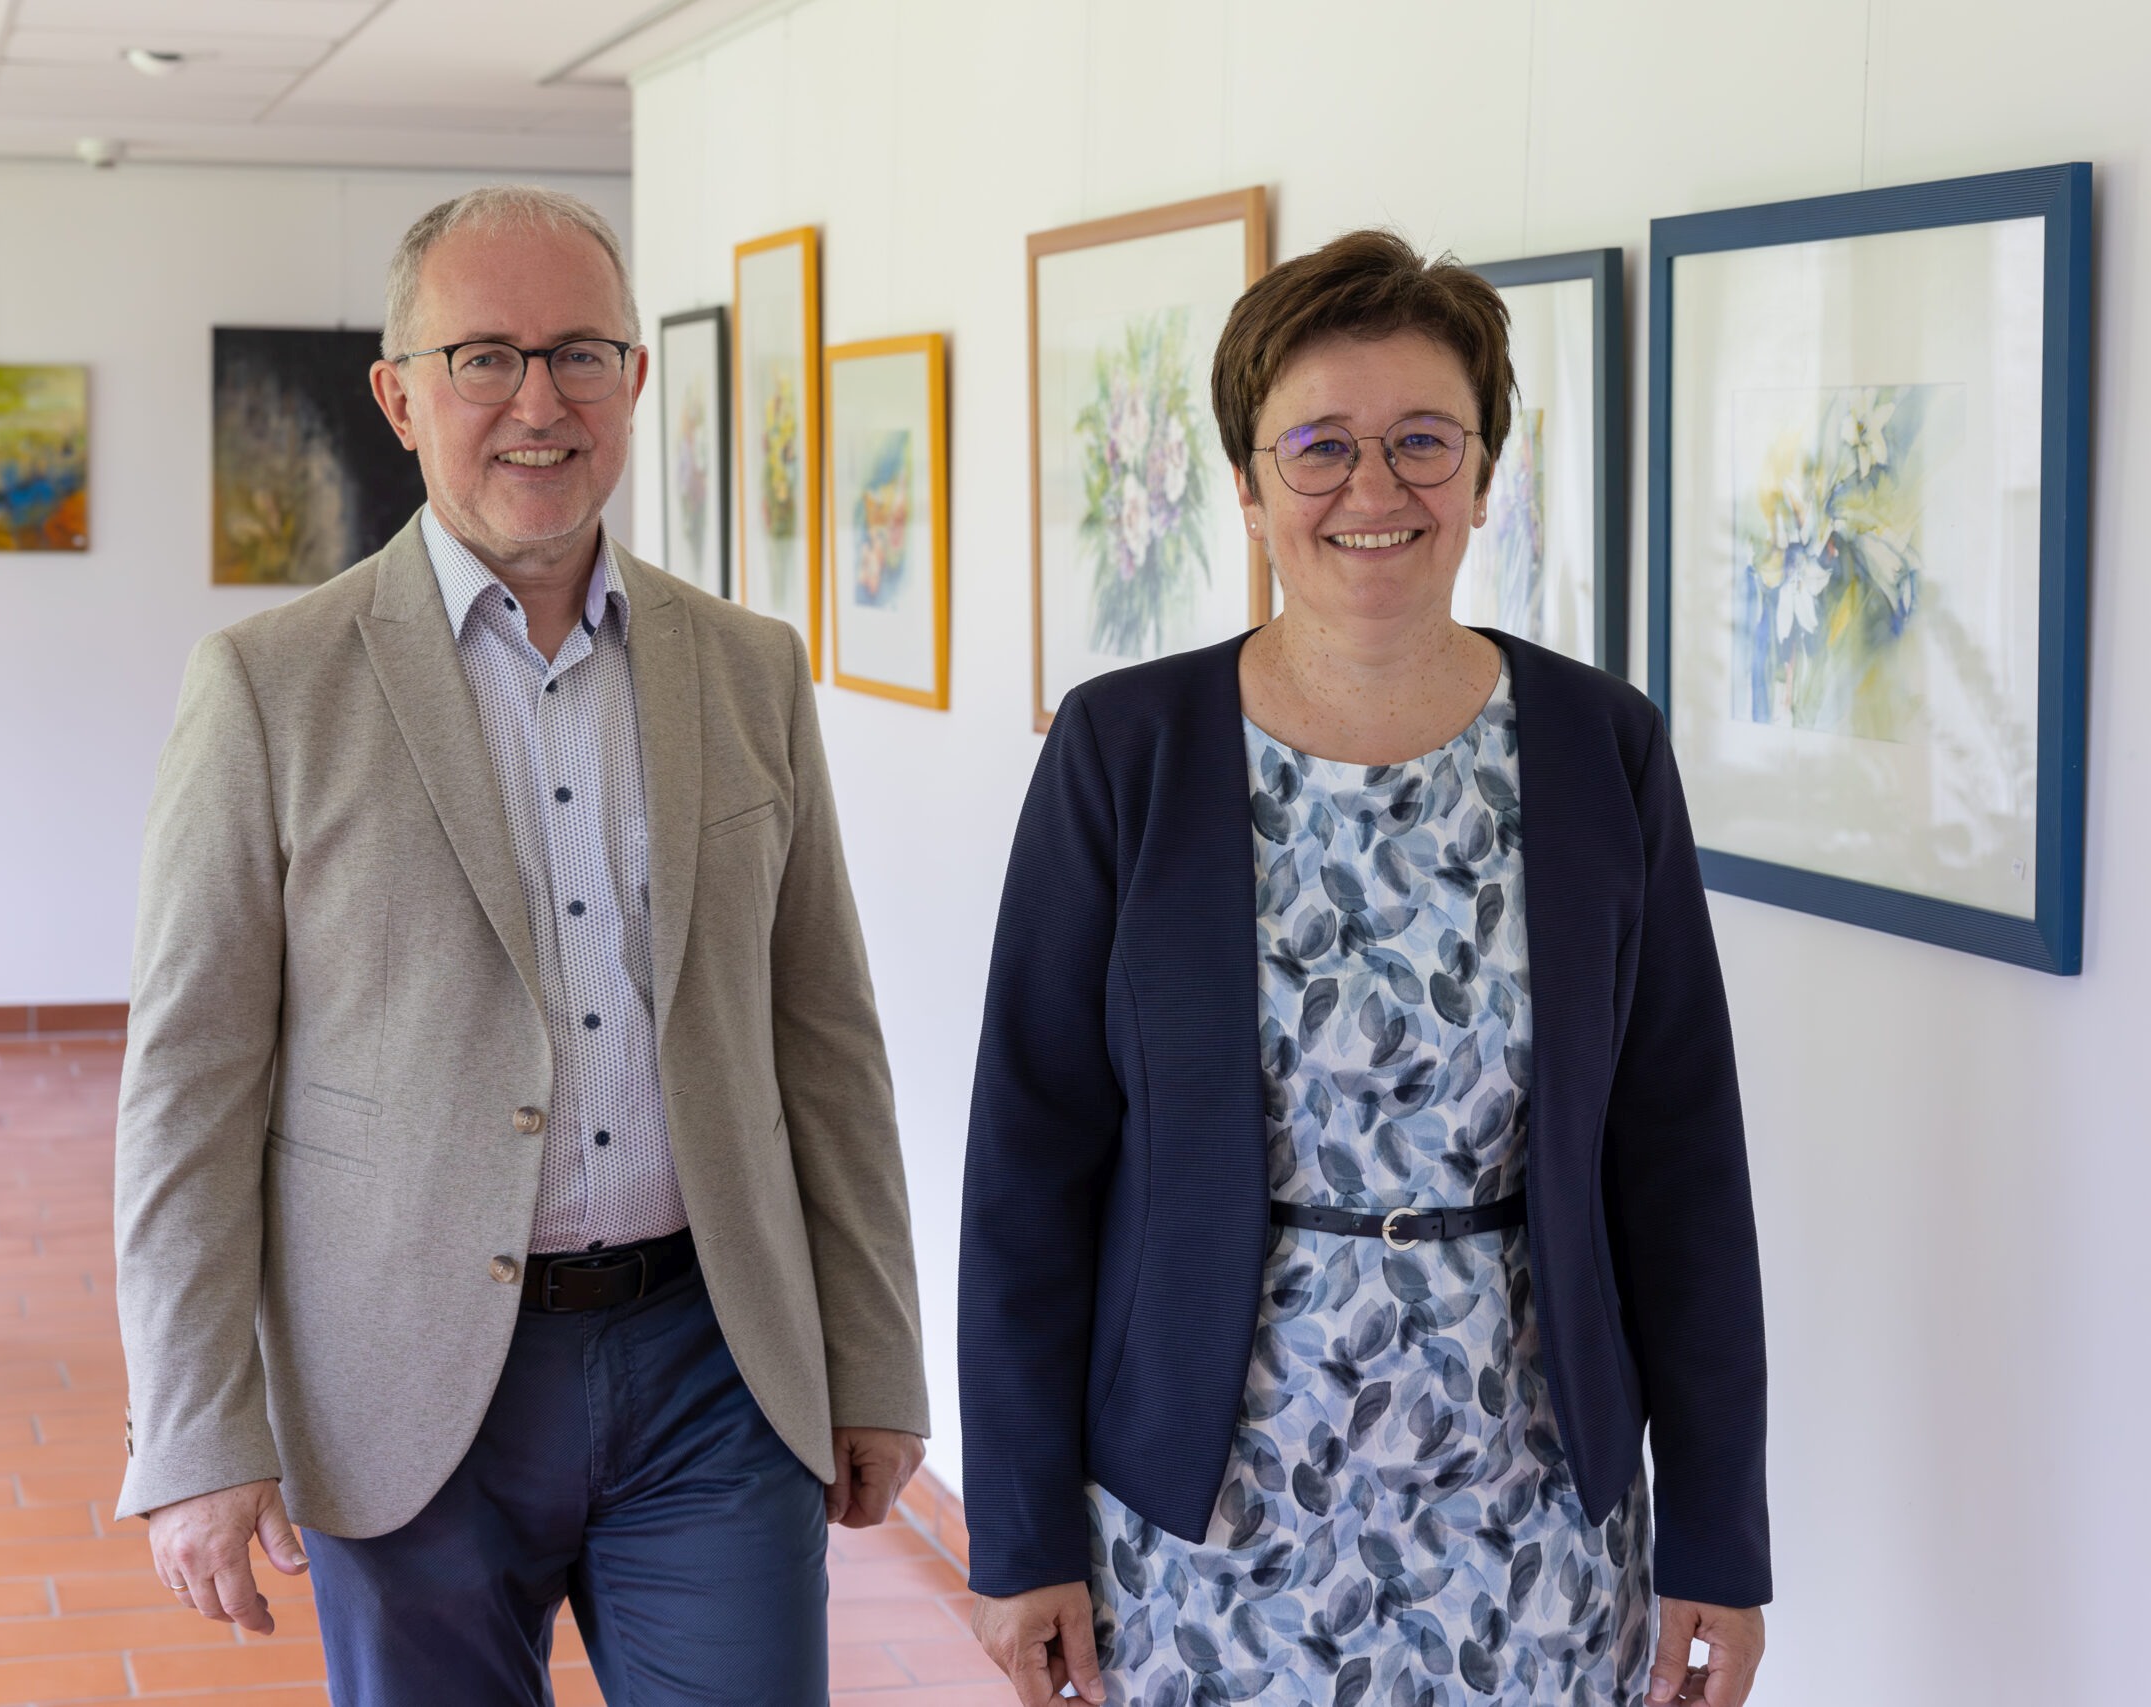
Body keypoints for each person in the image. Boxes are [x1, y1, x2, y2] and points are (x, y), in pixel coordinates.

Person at [112, 184, 929, 1707]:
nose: (536, 401)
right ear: (399, 396)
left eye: (578, 354)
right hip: (402, 1379)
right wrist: (193, 1429)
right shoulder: (268, 689)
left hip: (711, 1362)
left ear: (632, 378)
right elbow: (189, 1085)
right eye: (483, 357)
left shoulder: (749, 671)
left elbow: (826, 1039)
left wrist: (875, 1359)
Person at [959, 230, 1770, 1707]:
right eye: (1321, 447)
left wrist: (1721, 1529)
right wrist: (1017, 1535)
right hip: (1207, 1499)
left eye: (1422, 442)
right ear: (1251, 481)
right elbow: (1030, 1164)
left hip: (1532, 1497)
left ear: (1482, 472)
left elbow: (1681, 1161)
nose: (1375, 491)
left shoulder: (1602, 749)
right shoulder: (1124, 750)